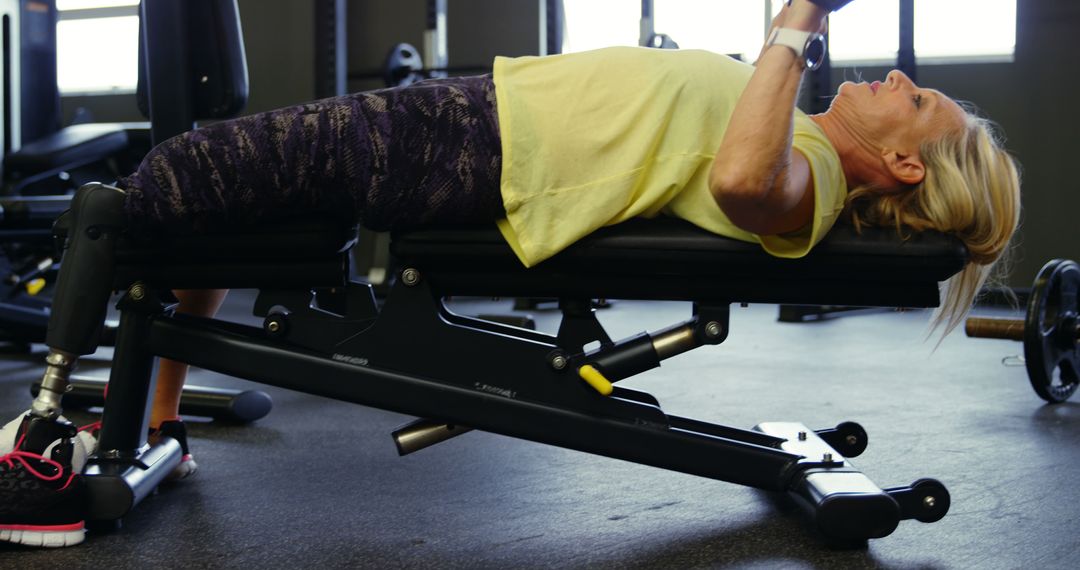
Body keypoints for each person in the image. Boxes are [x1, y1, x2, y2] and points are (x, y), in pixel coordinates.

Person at [0, 0, 1019, 547]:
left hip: (478, 147)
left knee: (174, 176)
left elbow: (746, 178)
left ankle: (44, 433)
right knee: (218, 205)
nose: (896, 78)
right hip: (478, 123)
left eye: (916, 100)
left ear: (900, 166)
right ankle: (157, 420)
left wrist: (796, 21)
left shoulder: (809, 182)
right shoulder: (799, 134)